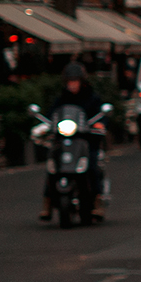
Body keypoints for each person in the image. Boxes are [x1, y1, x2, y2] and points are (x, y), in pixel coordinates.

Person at [39, 61, 108, 223]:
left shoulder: (92, 98)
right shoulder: (62, 98)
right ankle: (47, 201)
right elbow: (52, 115)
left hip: (86, 140)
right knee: (52, 166)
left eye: (75, 81)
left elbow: (101, 115)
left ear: (82, 81)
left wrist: (101, 123)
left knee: (92, 166)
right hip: (64, 140)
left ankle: (98, 201)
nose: (72, 85)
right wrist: (44, 125)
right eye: (70, 81)